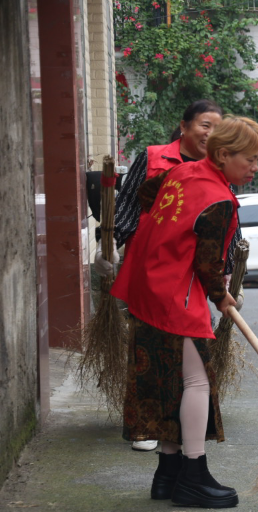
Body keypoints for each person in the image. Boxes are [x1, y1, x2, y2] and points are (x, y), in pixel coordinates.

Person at [110, 116, 258, 509]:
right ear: (224, 154)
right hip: (176, 295)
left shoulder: (182, 172)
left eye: (257, 160)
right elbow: (209, 262)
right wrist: (221, 296)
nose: (255, 167)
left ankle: (168, 473)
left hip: (148, 283)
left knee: (169, 381)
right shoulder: (218, 199)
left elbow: (146, 195)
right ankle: (194, 476)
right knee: (196, 382)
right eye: (250, 159)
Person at [97, 99, 228, 452]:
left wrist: (227, 273)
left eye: (218, 128)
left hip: (192, 276)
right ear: (184, 126)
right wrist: (108, 244)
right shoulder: (154, 158)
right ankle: (154, 431)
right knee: (154, 354)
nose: (210, 134)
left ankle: (178, 444)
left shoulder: (218, 169)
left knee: (186, 362)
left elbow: (224, 227)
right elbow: (128, 205)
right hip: (152, 269)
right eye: (205, 125)